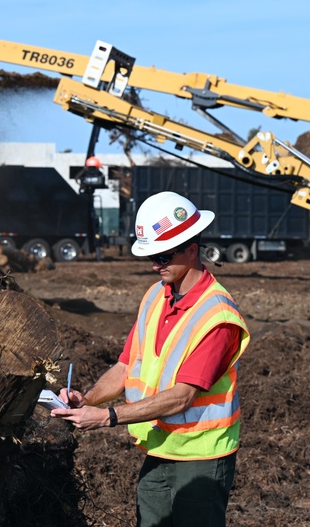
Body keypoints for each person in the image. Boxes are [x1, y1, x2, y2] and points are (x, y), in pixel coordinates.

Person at [53, 191, 249, 527]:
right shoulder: (156, 295)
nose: (156, 265)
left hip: (201, 455)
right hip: (159, 448)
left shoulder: (217, 317)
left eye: (163, 256)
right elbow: (127, 366)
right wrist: (87, 399)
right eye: (151, 257)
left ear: (192, 249)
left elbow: (183, 396)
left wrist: (106, 417)